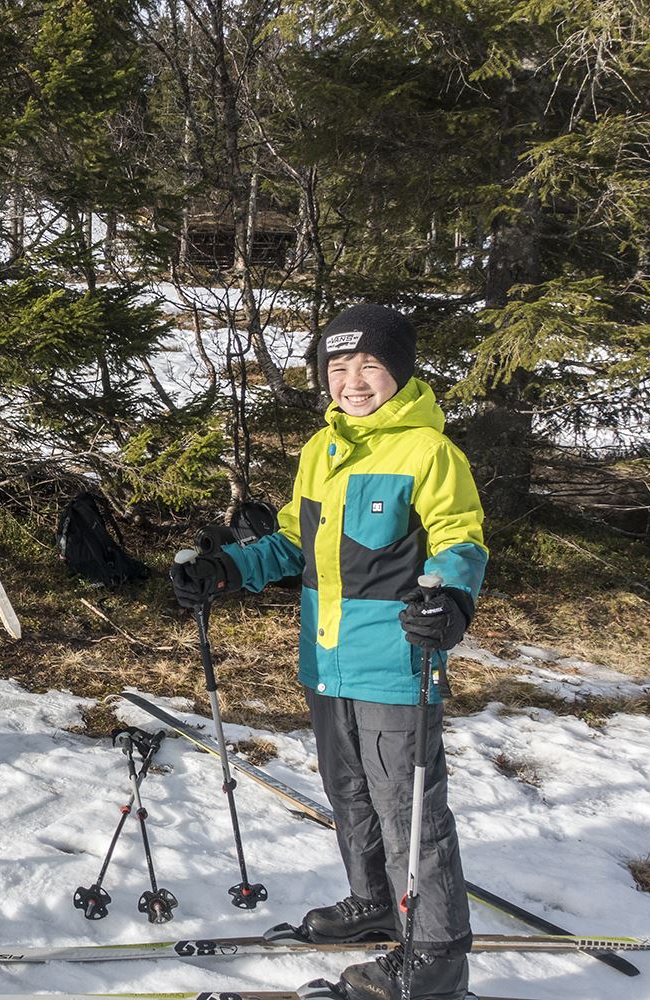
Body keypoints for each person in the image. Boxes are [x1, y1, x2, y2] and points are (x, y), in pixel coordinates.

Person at [171, 304, 487, 1000]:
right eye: (337, 367)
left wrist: (453, 599)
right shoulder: (322, 450)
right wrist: (225, 569)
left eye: (367, 364)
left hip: (396, 663)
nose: (352, 380)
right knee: (349, 796)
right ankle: (373, 902)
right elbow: (291, 542)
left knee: (408, 813)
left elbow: (460, 539)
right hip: (326, 658)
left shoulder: (430, 453)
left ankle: (433, 964)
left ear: (398, 371)